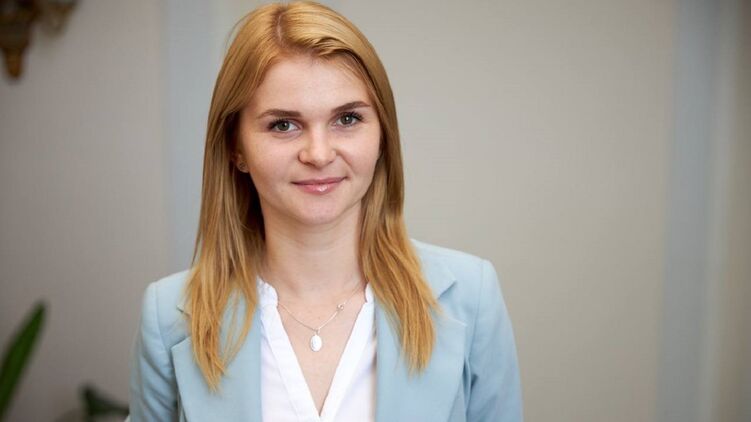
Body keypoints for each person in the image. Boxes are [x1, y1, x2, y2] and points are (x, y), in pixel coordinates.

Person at [127, 1, 522, 421]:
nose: (318, 154)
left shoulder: (471, 297)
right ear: (236, 147)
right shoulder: (168, 317)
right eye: (283, 124)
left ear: (382, 135)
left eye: (347, 119)